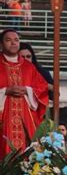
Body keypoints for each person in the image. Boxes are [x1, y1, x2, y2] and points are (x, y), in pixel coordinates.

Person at [0, 29, 48, 158]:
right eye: (8, 40)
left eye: (16, 40)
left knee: (27, 152)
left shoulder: (28, 66)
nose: (13, 43)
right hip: (4, 118)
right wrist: (5, 91)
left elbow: (42, 87)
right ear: (1, 44)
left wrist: (27, 90)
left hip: (25, 118)